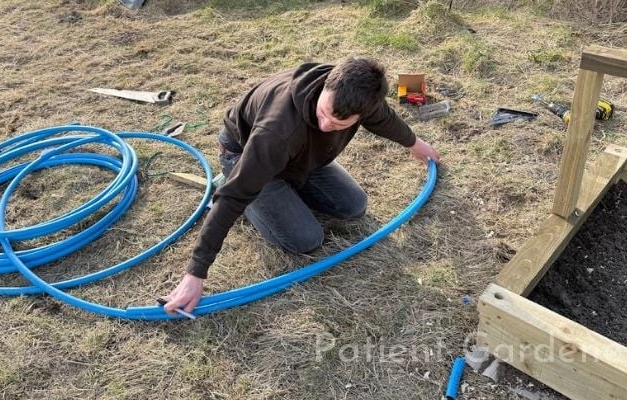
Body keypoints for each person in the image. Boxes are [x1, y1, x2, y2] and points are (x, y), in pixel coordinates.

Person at [162, 57, 440, 315]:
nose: (325, 125)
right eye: (323, 113)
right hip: (245, 154)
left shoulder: (356, 92)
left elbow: (384, 119)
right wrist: (195, 273)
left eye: (337, 123)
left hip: (299, 159)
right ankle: (249, 191)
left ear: (361, 115)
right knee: (305, 239)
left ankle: (283, 190)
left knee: (354, 206)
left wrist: (414, 143)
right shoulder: (277, 130)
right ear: (325, 87)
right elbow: (234, 196)